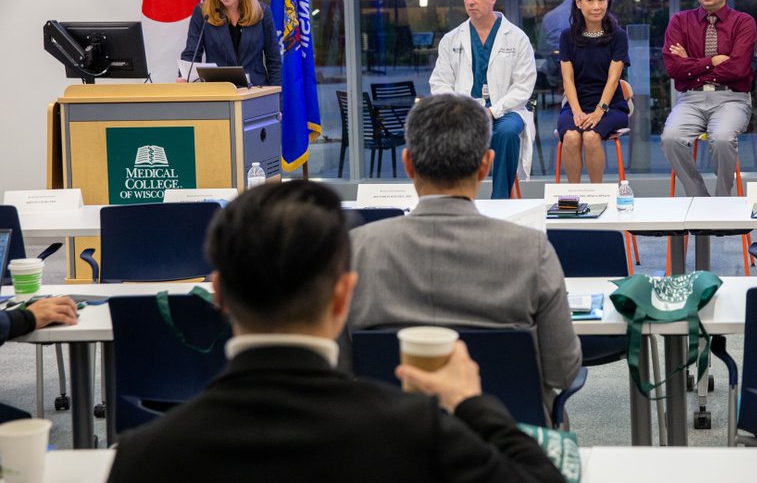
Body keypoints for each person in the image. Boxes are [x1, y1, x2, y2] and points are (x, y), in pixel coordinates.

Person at [105, 181, 563, 483]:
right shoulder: (412, 432)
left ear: (219, 294)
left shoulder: (143, 457)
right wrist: (470, 403)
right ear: (344, 295)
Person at [346, 94, 581, 413]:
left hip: (390, 447)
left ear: (408, 164)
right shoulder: (530, 251)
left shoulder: (355, 252)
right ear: (486, 165)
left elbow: (339, 368)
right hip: (507, 445)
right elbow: (562, 370)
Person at [429, 0, 536, 199]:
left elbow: (523, 86)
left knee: (507, 133)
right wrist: (461, 110)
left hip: (505, 111)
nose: (470, 1)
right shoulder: (451, 39)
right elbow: (439, 83)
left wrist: (492, 111)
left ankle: (499, 203)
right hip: (463, 112)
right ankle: (456, 202)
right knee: (446, 133)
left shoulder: (517, 38)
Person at [661, 0, 757, 197]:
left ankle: (723, 200)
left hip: (731, 98)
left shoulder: (743, 22)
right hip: (691, 99)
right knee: (670, 139)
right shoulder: (680, 21)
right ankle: (700, 198)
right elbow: (673, 68)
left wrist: (691, 64)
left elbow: (737, 69)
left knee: (723, 139)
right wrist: (711, 61)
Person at [557, 0, 630, 183]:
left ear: (608, 1)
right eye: (590, 0)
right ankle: (574, 197)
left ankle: (596, 193)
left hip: (611, 106)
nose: (596, 6)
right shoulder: (567, 37)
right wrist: (577, 111)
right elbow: (568, 80)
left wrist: (600, 111)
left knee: (590, 136)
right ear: (578, 3)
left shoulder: (618, 36)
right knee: (571, 137)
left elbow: (613, 79)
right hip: (576, 105)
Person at [179, 0, 281, 86]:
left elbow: (274, 60)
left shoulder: (262, 12)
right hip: (219, 92)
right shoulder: (202, 13)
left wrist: (277, 100)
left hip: (256, 91)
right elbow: (191, 53)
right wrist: (184, 77)